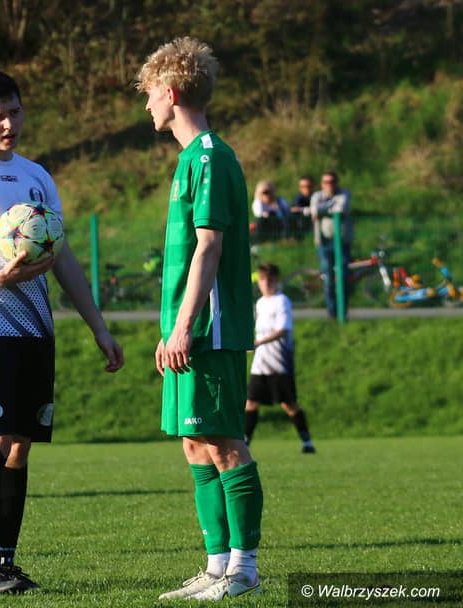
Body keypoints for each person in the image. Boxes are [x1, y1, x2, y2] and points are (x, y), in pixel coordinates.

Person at [0, 70, 124, 595]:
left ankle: (5, 564)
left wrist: (99, 328)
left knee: (20, 446)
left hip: (37, 326)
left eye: (14, 112)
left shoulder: (37, 176)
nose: (8, 124)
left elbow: (62, 258)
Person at [136, 37, 263, 601]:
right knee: (194, 444)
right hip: (185, 326)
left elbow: (209, 247)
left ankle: (244, 570)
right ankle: (216, 567)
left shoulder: (210, 157)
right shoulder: (190, 159)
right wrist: (170, 329)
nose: (146, 106)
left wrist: (185, 326)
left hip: (210, 326)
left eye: (149, 94)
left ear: (170, 93)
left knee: (224, 441)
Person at [245, 263, 315, 453]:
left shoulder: (282, 301)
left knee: (289, 404)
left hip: (279, 362)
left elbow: (283, 330)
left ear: (277, 281)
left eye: (270, 279)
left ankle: (307, 442)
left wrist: (258, 342)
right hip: (261, 364)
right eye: (262, 279)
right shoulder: (260, 303)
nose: (266, 283)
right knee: (251, 402)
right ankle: (245, 442)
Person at [310, 171, 353, 318]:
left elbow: (340, 209)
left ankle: (343, 311)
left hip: (342, 242)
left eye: (332, 181)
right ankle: (332, 312)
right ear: (322, 184)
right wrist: (331, 205)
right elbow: (314, 209)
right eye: (326, 182)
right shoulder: (317, 196)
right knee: (328, 278)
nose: (329, 185)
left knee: (343, 277)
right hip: (324, 242)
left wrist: (323, 209)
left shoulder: (344, 194)